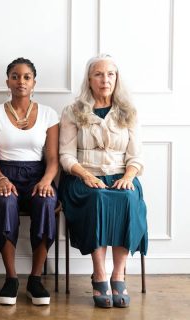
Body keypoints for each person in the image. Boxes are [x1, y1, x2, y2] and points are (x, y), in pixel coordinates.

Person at [59, 53, 148, 308]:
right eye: (98, 74)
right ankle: (99, 274)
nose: (105, 79)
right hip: (83, 177)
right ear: (89, 79)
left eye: (110, 74)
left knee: (128, 198)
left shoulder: (128, 112)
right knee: (97, 198)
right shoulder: (73, 111)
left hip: (122, 175)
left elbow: (136, 156)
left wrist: (129, 176)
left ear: (117, 78)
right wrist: (86, 175)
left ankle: (118, 274)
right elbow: (65, 155)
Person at [0, 58, 59, 306]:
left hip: (38, 175)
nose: (21, 81)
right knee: (6, 201)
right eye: (15, 76)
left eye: (26, 77)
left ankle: (35, 279)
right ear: (8, 82)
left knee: (47, 202)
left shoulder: (49, 114)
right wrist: (2, 179)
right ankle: (11, 278)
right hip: (3, 173)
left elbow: (52, 158)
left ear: (34, 82)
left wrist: (47, 180)